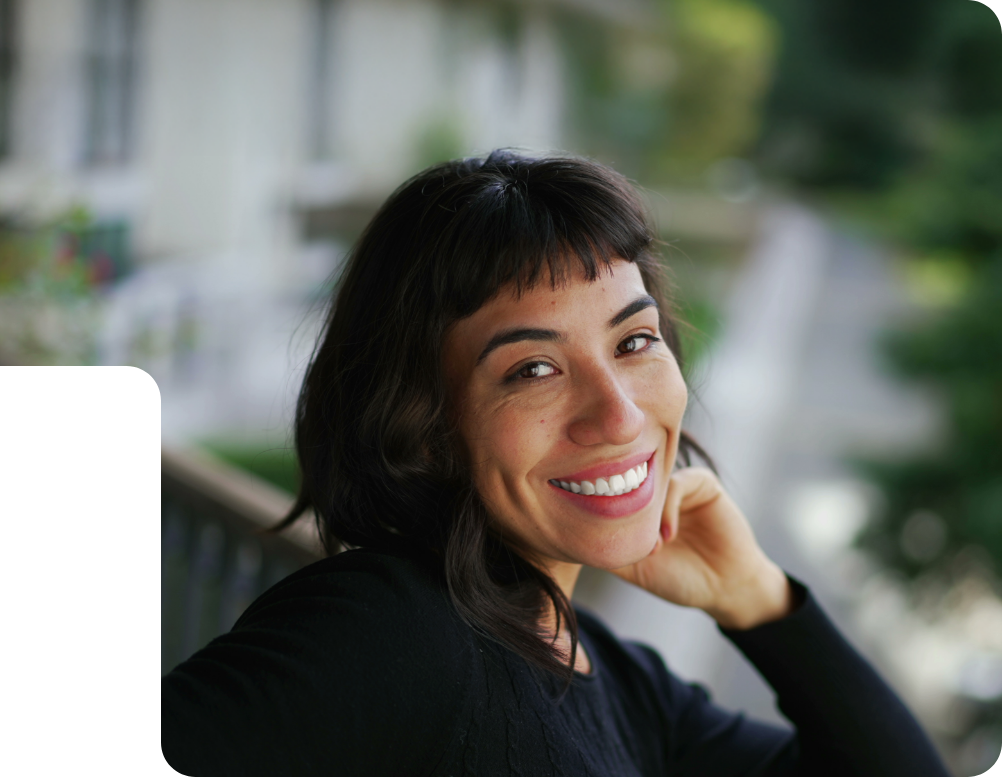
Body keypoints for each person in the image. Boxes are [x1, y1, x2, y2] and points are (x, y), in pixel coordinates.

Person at [160, 151, 950, 776]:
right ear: (426, 427)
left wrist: (761, 600)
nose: (618, 412)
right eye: (531, 368)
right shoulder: (384, 630)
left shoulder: (615, 680)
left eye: (633, 342)